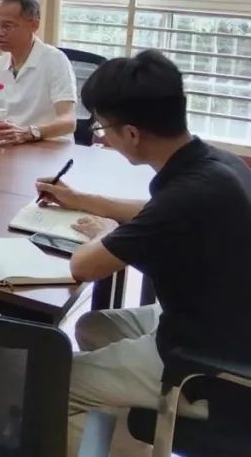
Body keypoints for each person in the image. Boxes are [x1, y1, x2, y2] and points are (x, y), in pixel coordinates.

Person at [33, 50, 251, 450]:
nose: (101, 136)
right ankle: (124, 431)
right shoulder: (215, 164)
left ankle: (115, 427)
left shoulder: (186, 196)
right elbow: (155, 211)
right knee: (92, 327)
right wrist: (81, 199)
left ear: (132, 134)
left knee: (50, 382)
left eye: (102, 127)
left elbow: (84, 266)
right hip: (220, 320)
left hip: (207, 361)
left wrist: (103, 232)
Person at [0, 0, 77, 144]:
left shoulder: (55, 60)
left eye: (8, 26)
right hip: (9, 146)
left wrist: (30, 132)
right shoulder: (1, 64)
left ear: (34, 25)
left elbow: (68, 121)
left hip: (45, 147)